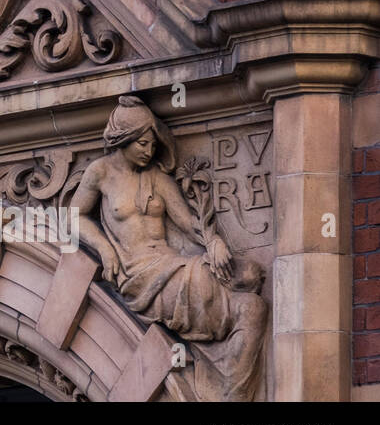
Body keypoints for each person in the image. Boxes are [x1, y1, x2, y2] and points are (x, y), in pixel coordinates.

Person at [69, 96, 267, 401]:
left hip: (170, 264)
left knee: (252, 290)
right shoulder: (100, 172)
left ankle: (229, 388)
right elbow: (73, 215)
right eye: (142, 143)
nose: (149, 151)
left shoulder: (158, 178)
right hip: (138, 275)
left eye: (152, 144)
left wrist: (213, 240)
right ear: (123, 140)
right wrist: (105, 248)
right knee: (246, 304)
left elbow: (187, 222)